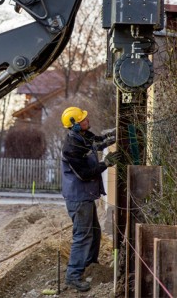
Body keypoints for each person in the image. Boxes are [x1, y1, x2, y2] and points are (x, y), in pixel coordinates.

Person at [60, 106, 116, 292]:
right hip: (79, 198)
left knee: (95, 232)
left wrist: (116, 134)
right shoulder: (71, 148)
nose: (87, 120)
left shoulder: (83, 137)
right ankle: (73, 276)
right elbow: (84, 174)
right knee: (83, 236)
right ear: (75, 126)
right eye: (83, 119)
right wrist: (105, 164)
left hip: (85, 196)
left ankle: (91, 264)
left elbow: (97, 142)